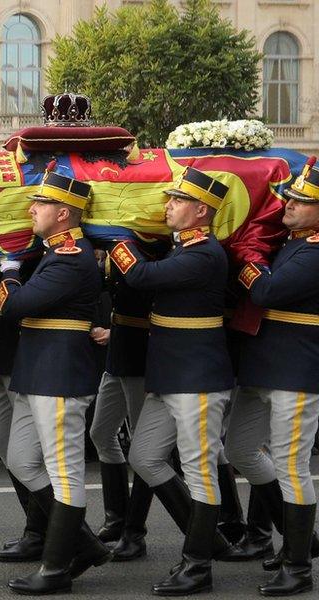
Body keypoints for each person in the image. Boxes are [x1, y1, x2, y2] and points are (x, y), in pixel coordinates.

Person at [111, 166, 236, 595]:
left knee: (200, 470)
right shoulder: (183, 247)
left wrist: (118, 238)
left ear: (202, 210)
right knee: (144, 456)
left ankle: (197, 564)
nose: (167, 206)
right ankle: (210, 538)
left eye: (177, 201)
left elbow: (143, 278)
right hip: (172, 376)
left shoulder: (203, 253)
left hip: (197, 379)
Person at [0, 164, 110, 594]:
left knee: (65, 472)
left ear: (64, 213)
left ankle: (57, 567)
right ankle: (82, 545)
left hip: (60, 374)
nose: (32, 208)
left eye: (41, 202)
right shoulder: (51, 253)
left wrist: (8, 271)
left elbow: (16, 306)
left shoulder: (71, 257)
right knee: (21, 459)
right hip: (37, 371)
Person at [225, 158, 319, 595]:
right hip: (264, 363)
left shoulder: (315, 250)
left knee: (292, 466)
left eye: (302, 201)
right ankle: (300, 537)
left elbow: (266, 291)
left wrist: (247, 257)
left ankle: (298, 565)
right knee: (240, 449)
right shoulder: (291, 242)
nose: (291, 205)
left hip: (296, 369)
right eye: (293, 197)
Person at [0, 257, 49, 562]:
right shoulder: (3, 249)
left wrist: (13, 265)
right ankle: (37, 526)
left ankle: (40, 531)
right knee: (3, 444)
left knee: (29, 453)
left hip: (27, 353)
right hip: (1, 353)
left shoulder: (40, 251)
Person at [88, 249, 154, 561]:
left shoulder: (147, 246)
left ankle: (134, 531)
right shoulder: (118, 248)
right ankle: (116, 518)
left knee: (144, 450)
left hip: (141, 350)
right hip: (119, 351)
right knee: (101, 433)